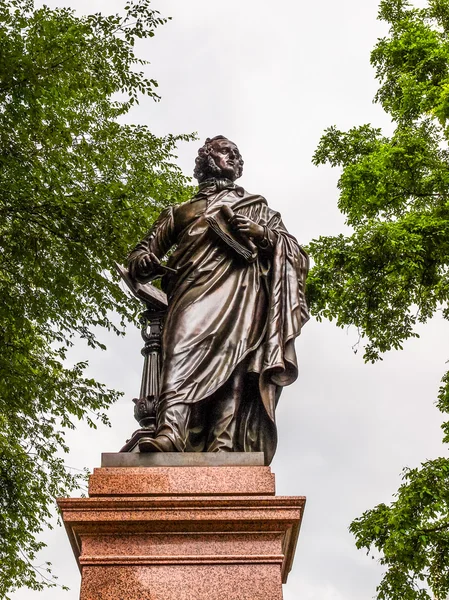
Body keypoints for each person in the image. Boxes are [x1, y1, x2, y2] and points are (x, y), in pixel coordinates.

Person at [128, 135, 309, 464]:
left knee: (234, 364)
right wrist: (143, 262)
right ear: (207, 159)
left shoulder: (257, 207)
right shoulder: (181, 211)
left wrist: (263, 235)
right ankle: (170, 431)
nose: (236, 159)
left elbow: (295, 254)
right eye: (228, 152)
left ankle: (222, 445)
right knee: (180, 351)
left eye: (238, 155)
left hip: (242, 294)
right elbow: (142, 252)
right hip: (190, 290)